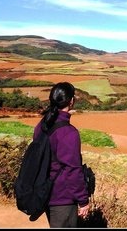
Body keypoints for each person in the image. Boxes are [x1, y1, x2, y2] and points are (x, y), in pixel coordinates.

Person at [34, 81, 90, 228]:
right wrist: (83, 200)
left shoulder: (42, 125)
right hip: (62, 198)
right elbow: (72, 170)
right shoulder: (69, 133)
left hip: (45, 192)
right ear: (71, 101)